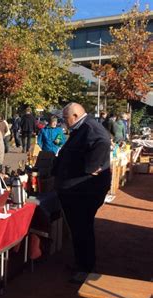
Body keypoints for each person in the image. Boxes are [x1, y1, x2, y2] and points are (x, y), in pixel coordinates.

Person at [53, 102, 111, 283]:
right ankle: (82, 264)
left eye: (65, 118)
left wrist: (91, 166)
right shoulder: (82, 128)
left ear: (76, 116)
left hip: (83, 191)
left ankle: (86, 268)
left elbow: (103, 141)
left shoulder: (90, 128)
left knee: (82, 228)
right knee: (78, 229)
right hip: (76, 189)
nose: (63, 121)